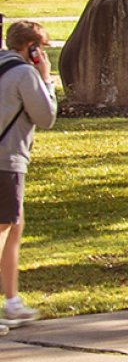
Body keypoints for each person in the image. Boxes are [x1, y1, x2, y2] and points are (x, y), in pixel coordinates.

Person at [0, 21, 58, 329]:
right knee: (3, 229)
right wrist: (46, 79)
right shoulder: (25, 74)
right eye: (42, 49)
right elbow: (46, 117)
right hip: (6, 161)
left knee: (14, 227)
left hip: (7, 160)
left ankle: (12, 302)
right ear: (32, 49)